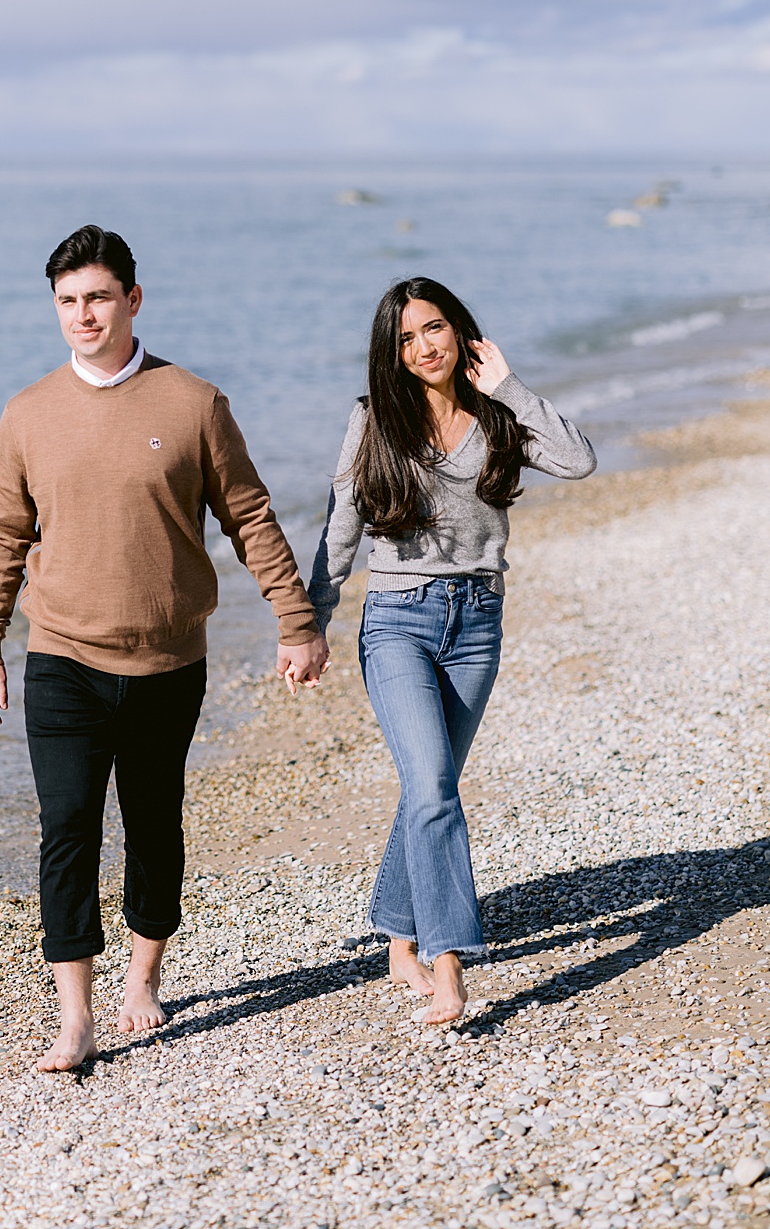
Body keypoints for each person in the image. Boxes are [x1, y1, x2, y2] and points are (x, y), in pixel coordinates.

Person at [0, 225, 328, 1069]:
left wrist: (295, 620)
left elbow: (250, 518)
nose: (82, 315)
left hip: (169, 659)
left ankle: (143, 978)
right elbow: (1, 535)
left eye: (97, 297)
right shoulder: (28, 413)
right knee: (67, 830)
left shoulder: (194, 403)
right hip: (61, 657)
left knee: (155, 826)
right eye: (66, 302)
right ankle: (76, 1017)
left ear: (133, 299)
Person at [306, 277, 595, 1024]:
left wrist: (510, 385)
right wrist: (310, 621)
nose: (423, 346)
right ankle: (448, 964)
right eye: (406, 338)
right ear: (391, 353)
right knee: (435, 789)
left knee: (427, 789)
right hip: (397, 619)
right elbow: (341, 526)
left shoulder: (499, 417)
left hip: (477, 625)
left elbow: (579, 460)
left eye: (434, 328)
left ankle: (397, 937)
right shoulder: (373, 421)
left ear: (459, 331)